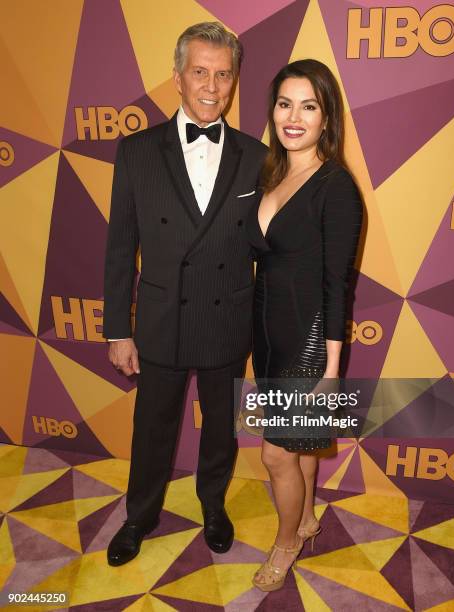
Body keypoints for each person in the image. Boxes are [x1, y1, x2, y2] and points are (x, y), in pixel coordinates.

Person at [103, 22, 267, 566]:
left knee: (220, 428)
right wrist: (117, 329)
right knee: (152, 428)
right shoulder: (137, 151)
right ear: (177, 78)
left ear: (235, 79)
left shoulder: (256, 155)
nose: (212, 86)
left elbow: (271, 248)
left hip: (227, 317)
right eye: (200, 72)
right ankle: (139, 515)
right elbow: (120, 246)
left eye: (223, 75)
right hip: (160, 319)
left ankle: (213, 506)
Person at [245, 59, 363, 591]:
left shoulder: (335, 186)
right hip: (268, 338)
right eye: (285, 103)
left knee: (276, 454)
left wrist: (332, 368)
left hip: (310, 344)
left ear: (326, 117)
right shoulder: (272, 173)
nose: (294, 117)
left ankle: (287, 540)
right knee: (300, 448)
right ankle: (308, 516)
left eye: (308, 106)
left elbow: (338, 283)